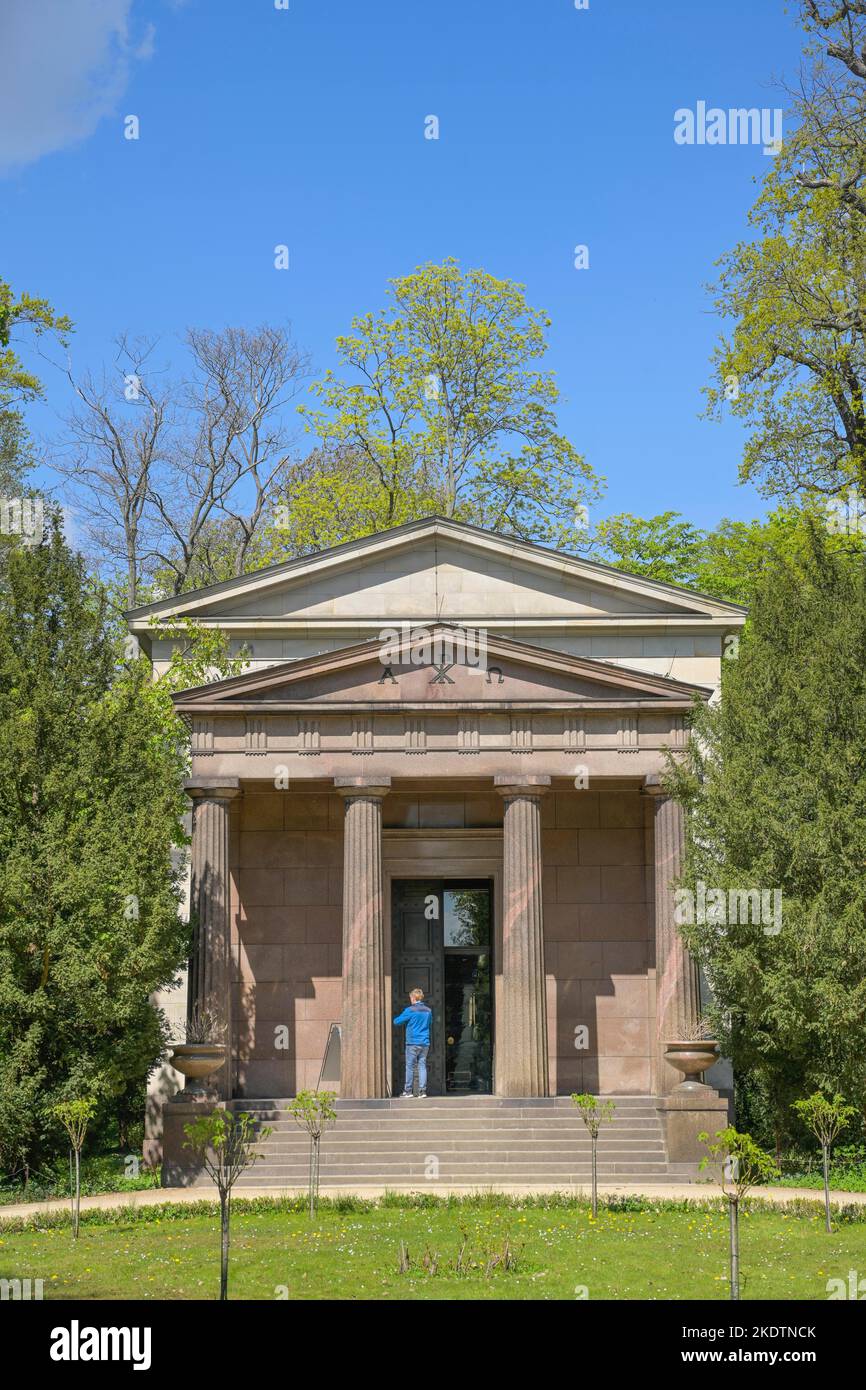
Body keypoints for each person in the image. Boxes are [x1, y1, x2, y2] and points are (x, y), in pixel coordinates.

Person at [393, 988, 432, 1098]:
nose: (410, 1000)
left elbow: (397, 1021)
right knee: (422, 1066)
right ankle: (422, 1091)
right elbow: (430, 1023)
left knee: (410, 1067)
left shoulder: (410, 1010)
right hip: (425, 1043)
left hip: (412, 1043)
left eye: (410, 998)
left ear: (414, 998)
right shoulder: (428, 1010)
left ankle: (408, 1091)